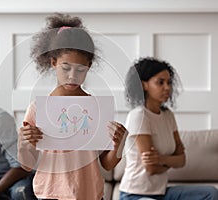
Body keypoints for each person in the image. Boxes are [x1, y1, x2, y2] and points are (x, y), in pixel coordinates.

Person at [18, 13, 127, 200]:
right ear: (53, 63)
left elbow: (107, 164)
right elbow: (27, 165)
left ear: (89, 66)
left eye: (80, 69)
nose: (72, 76)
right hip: (51, 194)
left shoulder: (96, 108)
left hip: (90, 194)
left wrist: (119, 144)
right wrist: (23, 143)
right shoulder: (38, 109)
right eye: (66, 68)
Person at [120, 57, 218, 200]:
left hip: (161, 193)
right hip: (134, 194)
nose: (167, 87)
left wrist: (161, 159)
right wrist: (171, 161)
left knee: (211, 193)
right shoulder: (139, 116)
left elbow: (182, 160)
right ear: (144, 85)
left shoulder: (168, 116)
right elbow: (151, 168)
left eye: (169, 82)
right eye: (160, 82)